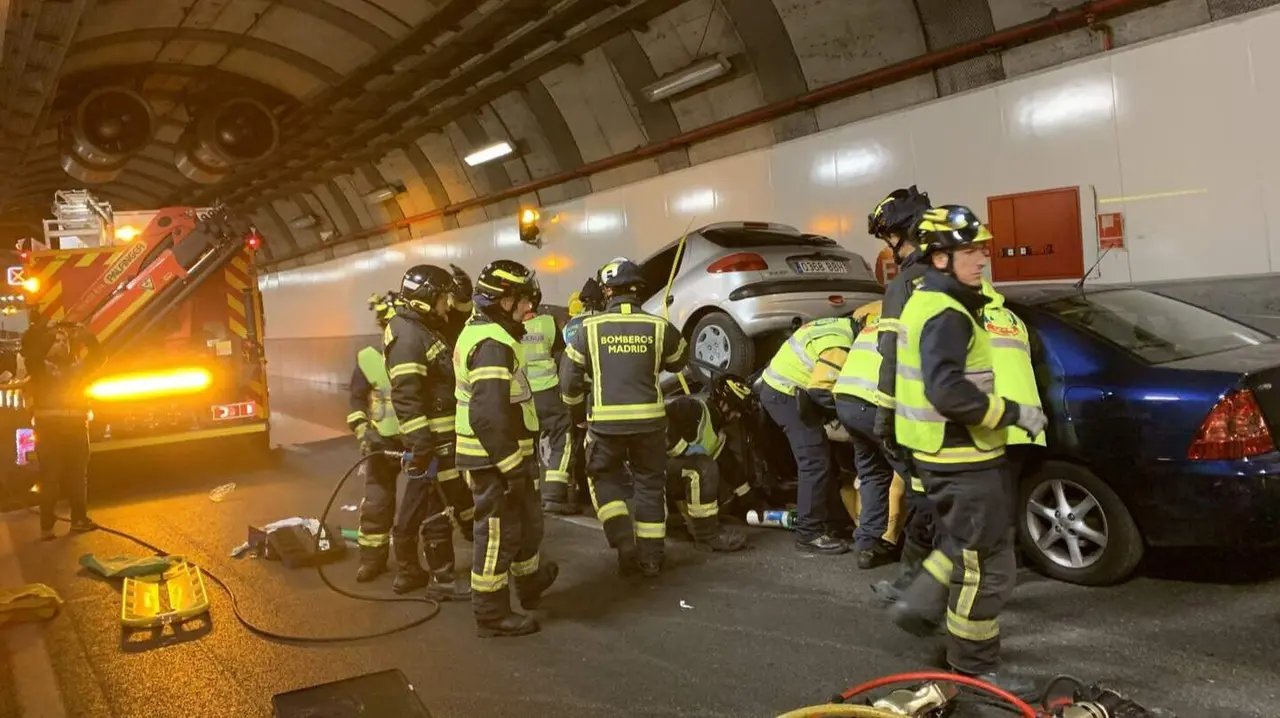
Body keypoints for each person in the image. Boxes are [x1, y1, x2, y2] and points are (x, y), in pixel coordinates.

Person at [887, 206, 1047, 696]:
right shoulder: (948, 314)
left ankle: (922, 600)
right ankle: (972, 665)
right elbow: (948, 392)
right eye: (971, 251)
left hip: (945, 455)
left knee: (968, 545)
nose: (983, 260)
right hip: (962, 455)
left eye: (983, 249)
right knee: (990, 564)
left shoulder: (929, 302)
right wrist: (1012, 413)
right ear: (939, 259)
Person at [560, 259, 688, 578]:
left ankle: (623, 546)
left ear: (607, 292)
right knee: (649, 485)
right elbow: (679, 360)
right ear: (639, 290)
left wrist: (579, 416)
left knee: (603, 479)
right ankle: (651, 559)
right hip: (650, 425)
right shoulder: (658, 327)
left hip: (604, 426)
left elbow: (568, 383)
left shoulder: (587, 329)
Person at [454, 259, 558, 637]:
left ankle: (529, 584)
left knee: (527, 524)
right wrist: (512, 467)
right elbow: (486, 416)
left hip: (505, 455)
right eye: (524, 300)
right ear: (503, 300)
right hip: (493, 460)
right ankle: (491, 613)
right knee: (497, 535)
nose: (531, 307)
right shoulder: (492, 346)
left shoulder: (493, 334)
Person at [861, 187, 940, 600]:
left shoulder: (906, 285)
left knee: (925, 501)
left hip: (922, 418)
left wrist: (885, 416)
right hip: (962, 414)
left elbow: (891, 355)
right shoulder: (956, 278)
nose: (890, 247)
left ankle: (917, 592)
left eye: (890, 237)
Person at [382, 265, 476, 599]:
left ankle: (412, 573)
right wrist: (421, 444)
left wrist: (463, 298)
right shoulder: (408, 337)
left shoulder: (423, 328)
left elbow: (456, 325)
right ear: (424, 300)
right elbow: (407, 395)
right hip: (431, 442)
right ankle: (442, 581)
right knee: (433, 506)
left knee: (434, 501)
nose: (446, 305)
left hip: (441, 439)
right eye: (441, 298)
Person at [758, 314, 855, 555]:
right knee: (814, 460)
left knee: (822, 456)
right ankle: (809, 534)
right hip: (786, 394)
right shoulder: (840, 345)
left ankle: (834, 522)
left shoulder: (841, 325)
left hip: (785, 388)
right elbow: (821, 391)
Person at [22, 321, 102, 540]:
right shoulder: (40, 367)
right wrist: (49, 334)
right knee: (51, 478)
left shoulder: (78, 367)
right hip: (50, 431)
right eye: (56, 341)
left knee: (78, 477)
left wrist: (87, 337)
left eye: (64, 341)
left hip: (76, 429)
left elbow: (99, 357)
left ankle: (79, 520)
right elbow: (33, 357)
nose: (60, 344)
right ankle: (47, 527)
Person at [663, 375, 755, 551]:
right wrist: (683, 450)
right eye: (736, 410)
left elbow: (729, 465)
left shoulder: (716, 431)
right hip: (654, 473)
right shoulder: (691, 408)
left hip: (672, 478)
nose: (737, 416)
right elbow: (661, 424)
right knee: (703, 466)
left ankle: (685, 523)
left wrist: (748, 498)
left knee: (706, 469)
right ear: (723, 403)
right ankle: (707, 535)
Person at [979, 280, 1047, 513]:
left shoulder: (965, 319)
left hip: (995, 423)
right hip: (1027, 420)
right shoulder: (1013, 319)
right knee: (1007, 493)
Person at [521, 287, 576, 515]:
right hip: (547, 393)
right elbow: (563, 359)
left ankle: (530, 496)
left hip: (521, 396)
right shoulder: (548, 323)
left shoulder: (506, 328)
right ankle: (554, 494)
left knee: (526, 446)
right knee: (561, 437)